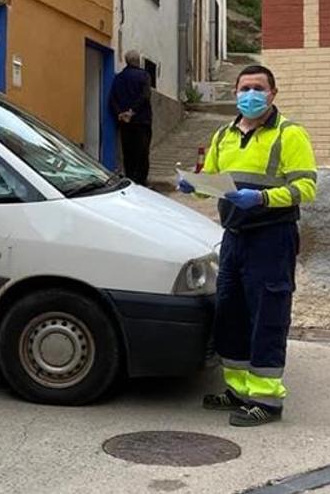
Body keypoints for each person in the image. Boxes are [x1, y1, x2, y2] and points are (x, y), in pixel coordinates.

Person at [178, 65, 317, 427]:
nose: (250, 94)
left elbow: (307, 188)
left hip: (272, 237)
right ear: (236, 93)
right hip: (235, 238)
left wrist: (262, 199)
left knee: (267, 315)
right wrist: (195, 185)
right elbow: (212, 178)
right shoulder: (224, 134)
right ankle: (238, 391)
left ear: (273, 93)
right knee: (232, 313)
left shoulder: (290, 135)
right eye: (244, 88)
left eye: (258, 88)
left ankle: (267, 401)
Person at [109, 50, 153, 186]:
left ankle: (130, 180)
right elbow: (145, 96)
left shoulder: (119, 78)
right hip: (141, 121)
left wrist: (121, 114)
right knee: (142, 153)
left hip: (125, 123)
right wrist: (132, 111)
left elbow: (112, 99)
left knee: (128, 153)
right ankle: (141, 182)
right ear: (138, 61)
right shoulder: (144, 76)